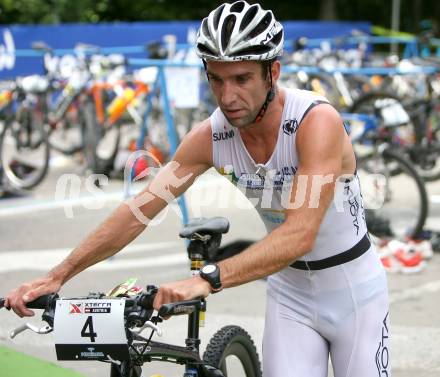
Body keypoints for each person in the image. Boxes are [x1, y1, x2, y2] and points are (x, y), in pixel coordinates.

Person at [5, 2, 391, 376]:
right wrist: (58, 275)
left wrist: (205, 278)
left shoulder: (315, 122)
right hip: (290, 292)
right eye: (216, 79)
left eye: (242, 79)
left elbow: (300, 234)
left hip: (352, 290)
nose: (227, 97)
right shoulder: (211, 136)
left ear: (272, 72)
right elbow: (138, 211)